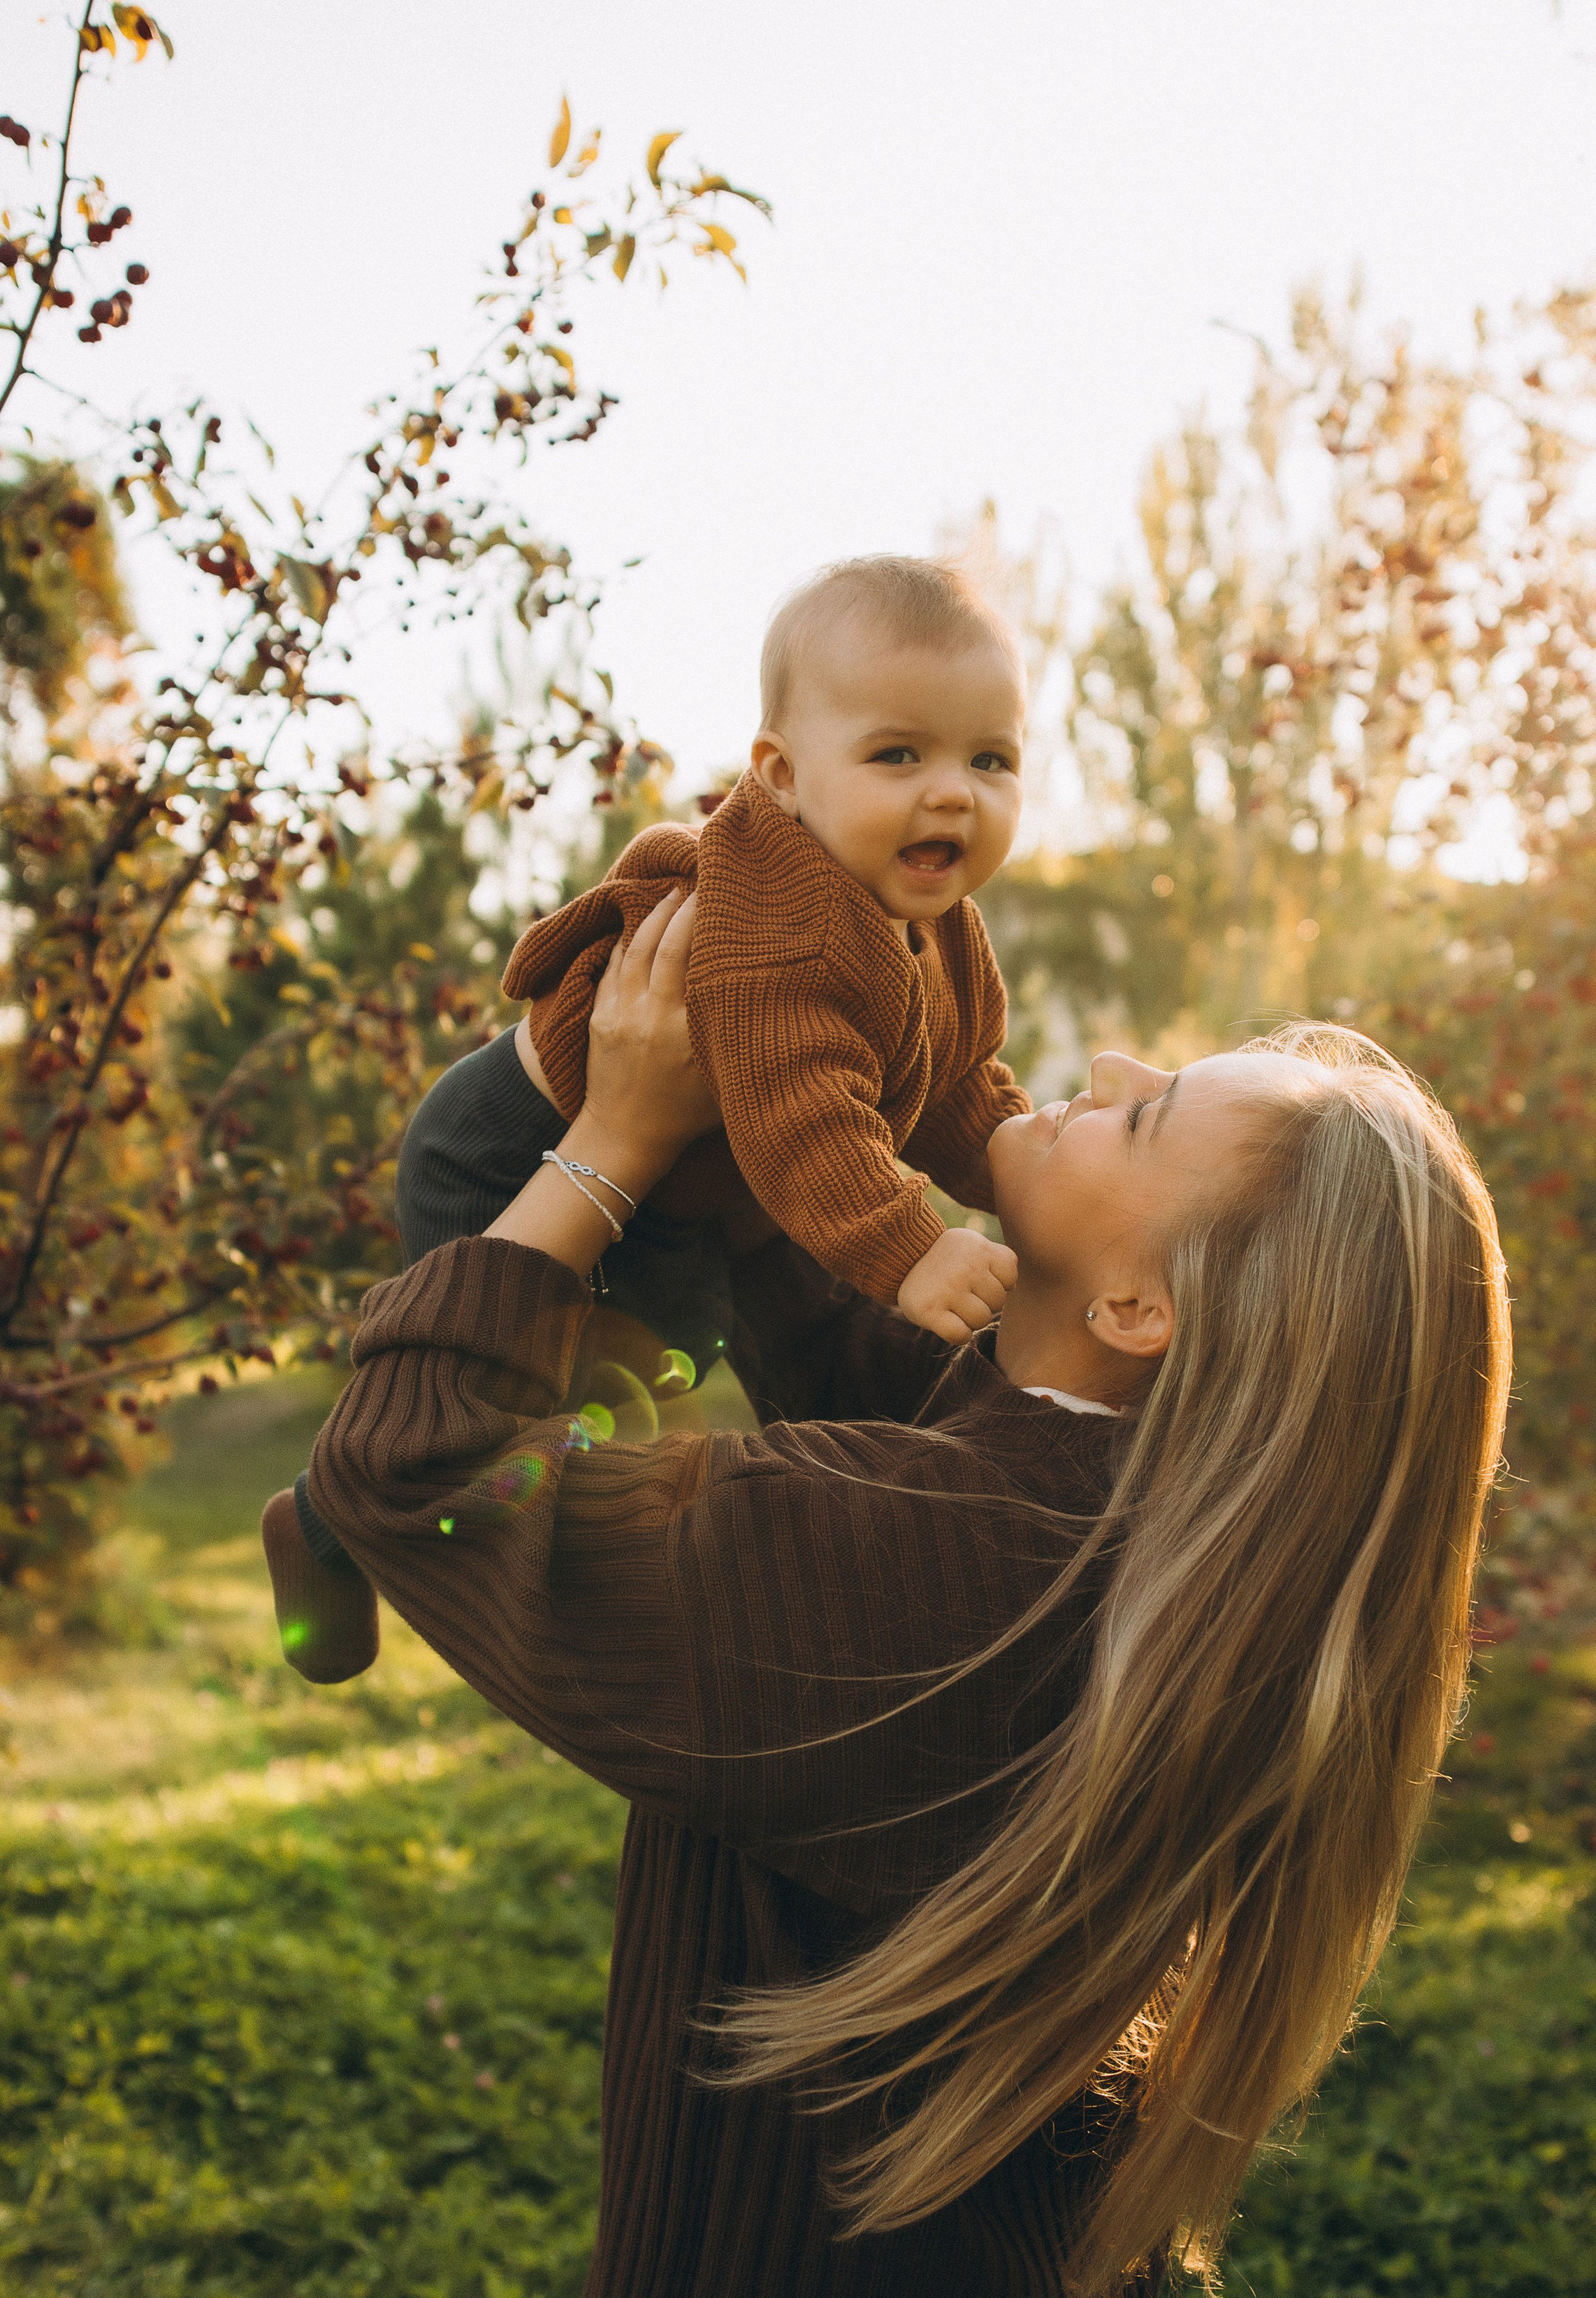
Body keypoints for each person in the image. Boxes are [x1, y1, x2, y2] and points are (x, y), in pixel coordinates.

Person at [303, 894, 1512, 2298]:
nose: (1101, 1064)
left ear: (1135, 1301)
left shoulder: (920, 1582)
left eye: (1149, 1109)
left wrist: (605, 1148)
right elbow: (856, 1331)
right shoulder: (1154, 1533)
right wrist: (787, 1050)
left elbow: (419, 1479)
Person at [264, 553, 1033, 1685]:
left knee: (635, 1394)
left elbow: (953, 1077)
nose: (953, 792)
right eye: (897, 755)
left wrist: (1019, 1164)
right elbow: (805, 1121)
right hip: (508, 1151)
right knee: (491, 1403)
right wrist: (911, 1249)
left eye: (991, 759)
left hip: (674, 1189)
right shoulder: (786, 922)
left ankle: (397, 1536)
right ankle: (336, 1521)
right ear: (779, 775)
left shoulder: (933, 922)